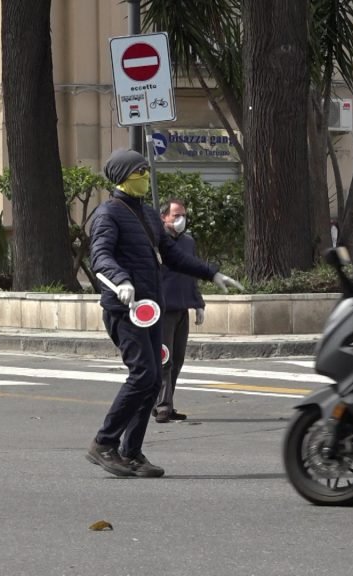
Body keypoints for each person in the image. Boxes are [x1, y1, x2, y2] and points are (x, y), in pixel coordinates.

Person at [87, 149, 243, 477]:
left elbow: (172, 254)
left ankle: (132, 452)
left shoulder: (144, 214)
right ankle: (104, 443)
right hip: (124, 309)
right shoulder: (107, 214)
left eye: (146, 171)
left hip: (151, 310)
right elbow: (100, 257)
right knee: (143, 374)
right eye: (139, 172)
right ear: (123, 178)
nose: (145, 177)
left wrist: (210, 273)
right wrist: (120, 282)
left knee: (155, 377)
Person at [153, 197, 205, 423]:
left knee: (178, 358)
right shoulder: (155, 242)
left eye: (183, 215)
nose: (181, 219)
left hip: (182, 308)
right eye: (176, 215)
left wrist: (198, 303)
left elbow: (192, 274)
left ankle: (166, 403)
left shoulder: (188, 243)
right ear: (164, 217)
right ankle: (162, 406)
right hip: (163, 310)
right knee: (165, 359)